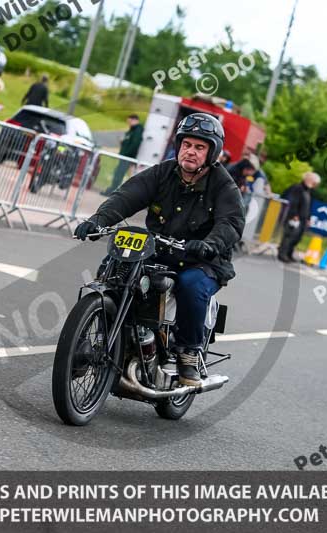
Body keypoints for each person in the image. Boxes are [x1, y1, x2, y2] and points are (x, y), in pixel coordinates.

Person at [74, 113, 245, 386]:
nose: (191, 151)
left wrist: (209, 244)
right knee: (114, 266)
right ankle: (106, 329)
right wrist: (98, 220)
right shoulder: (162, 173)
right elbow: (127, 196)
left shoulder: (223, 185)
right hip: (159, 249)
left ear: (212, 152)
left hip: (200, 259)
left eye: (199, 147)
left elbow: (231, 223)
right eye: (187, 144)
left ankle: (189, 351)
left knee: (191, 285)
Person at [278, 172, 320, 263]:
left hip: (303, 218)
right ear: (308, 180)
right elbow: (293, 202)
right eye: (314, 182)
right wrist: (294, 215)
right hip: (294, 217)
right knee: (289, 236)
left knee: (297, 237)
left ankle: (289, 254)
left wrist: (308, 218)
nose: (315, 184)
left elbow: (308, 206)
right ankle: (282, 254)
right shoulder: (297, 188)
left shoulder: (309, 191)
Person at [102, 114, 144, 195]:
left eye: (130, 121)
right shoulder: (132, 130)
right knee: (118, 173)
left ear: (134, 120)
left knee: (119, 174)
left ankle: (113, 191)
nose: (129, 123)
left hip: (127, 157)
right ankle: (113, 189)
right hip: (125, 157)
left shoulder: (137, 130)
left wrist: (126, 153)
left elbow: (135, 144)